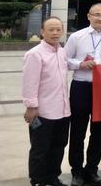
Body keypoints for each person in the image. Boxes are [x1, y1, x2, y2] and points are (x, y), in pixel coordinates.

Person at [65, 3, 101, 186]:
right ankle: (77, 171)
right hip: (81, 86)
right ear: (89, 16)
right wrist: (80, 64)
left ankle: (92, 170)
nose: (100, 18)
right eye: (97, 14)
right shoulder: (76, 36)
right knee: (78, 131)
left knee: (99, 132)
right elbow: (65, 59)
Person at [23, 17, 70, 186]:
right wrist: (31, 107)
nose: (55, 33)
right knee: (40, 148)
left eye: (58, 29)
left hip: (63, 110)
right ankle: (38, 180)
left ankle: (52, 177)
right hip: (43, 111)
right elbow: (30, 82)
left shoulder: (62, 52)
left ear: (62, 31)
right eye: (51, 29)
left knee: (58, 146)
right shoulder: (34, 54)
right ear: (42, 32)